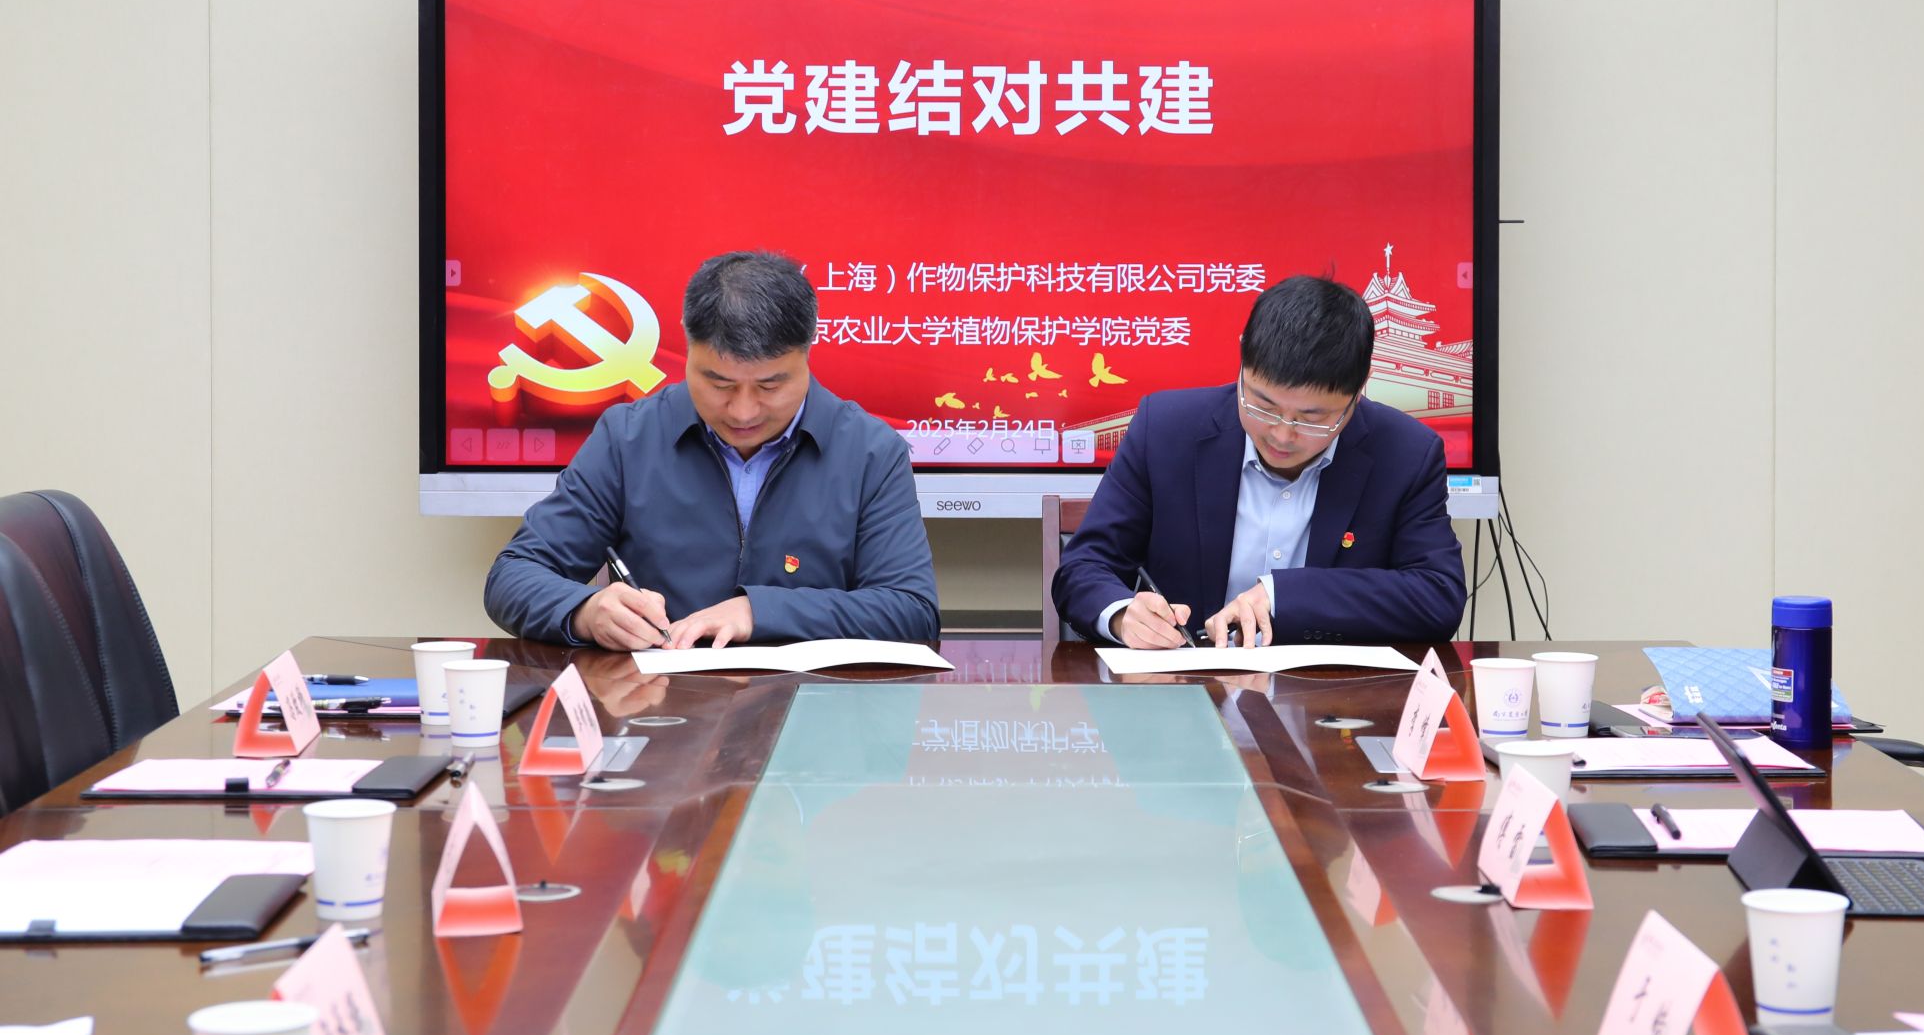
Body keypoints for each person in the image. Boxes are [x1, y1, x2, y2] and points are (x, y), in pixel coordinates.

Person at [484, 251, 940, 649]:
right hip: (662, 707)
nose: (743, 412)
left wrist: (759, 612)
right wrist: (585, 611)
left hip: (815, 709)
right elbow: (513, 576)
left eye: (770, 386)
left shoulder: (870, 452)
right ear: (687, 347)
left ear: (807, 353)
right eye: (719, 384)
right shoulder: (628, 438)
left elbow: (910, 610)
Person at [1052, 274, 1465, 648]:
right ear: (1242, 359)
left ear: (1359, 391)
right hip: (1186, 689)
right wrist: (1123, 614)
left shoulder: (1406, 453)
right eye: (1263, 406)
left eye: (1312, 418)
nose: (1282, 435)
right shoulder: (1165, 430)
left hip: (1330, 694)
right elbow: (1084, 566)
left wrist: (1282, 595)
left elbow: (1437, 595)